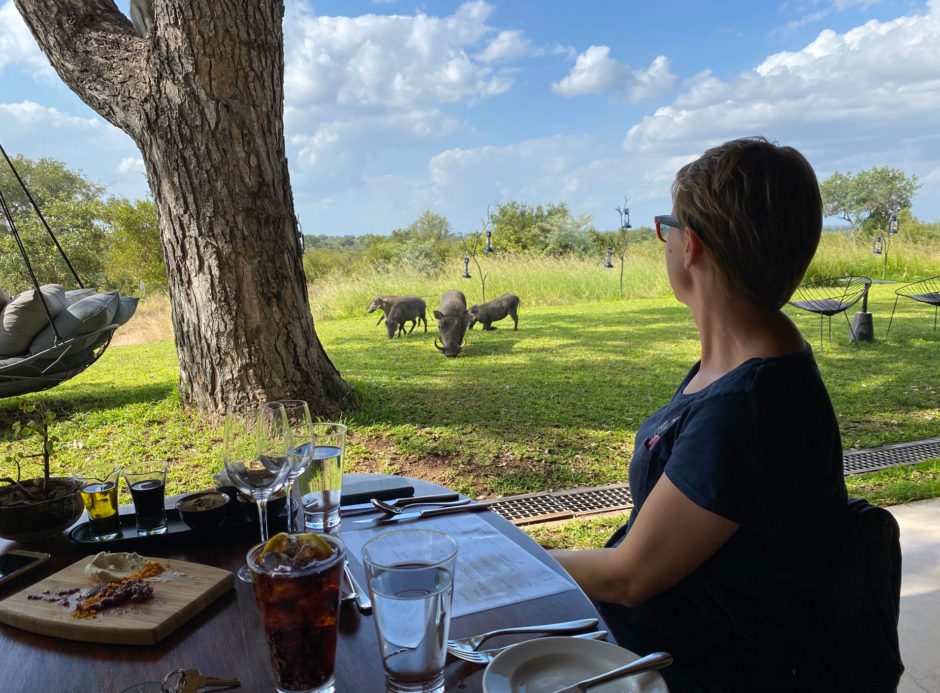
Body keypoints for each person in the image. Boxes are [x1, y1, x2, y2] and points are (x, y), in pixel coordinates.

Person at [551, 137, 849, 691]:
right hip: (657, 642)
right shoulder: (745, 362)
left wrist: (509, 556)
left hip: (681, 669)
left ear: (691, 247)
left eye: (668, 226)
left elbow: (630, 577)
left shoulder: (750, 406)